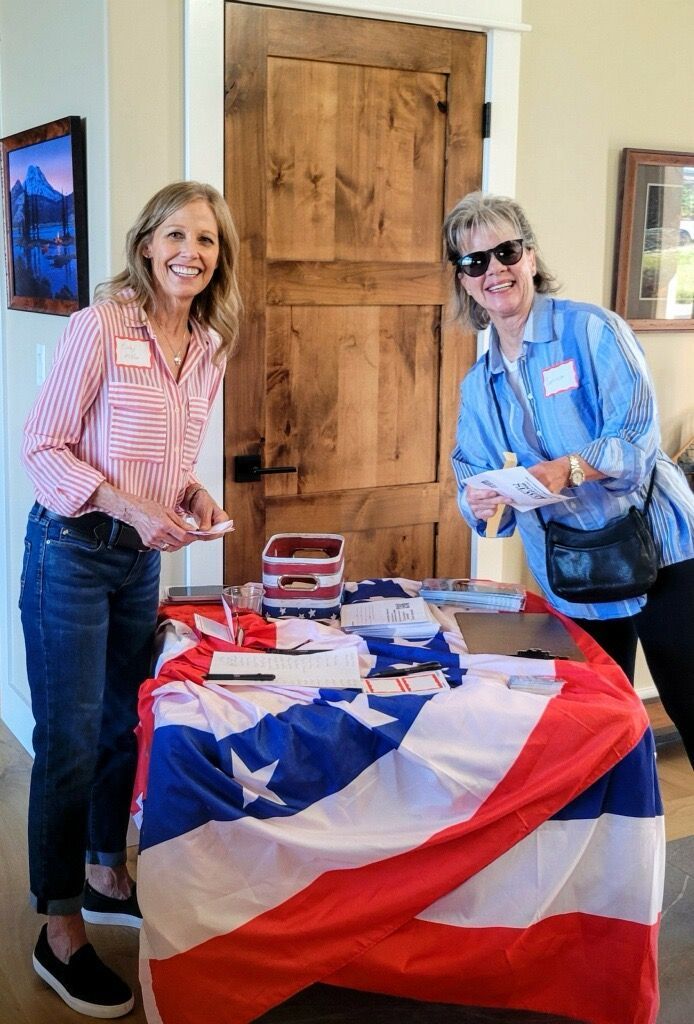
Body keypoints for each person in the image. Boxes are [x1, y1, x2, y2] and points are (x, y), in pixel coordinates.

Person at [20, 180, 241, 1017]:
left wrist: (192, 495)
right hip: (72, 552)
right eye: (178, 235)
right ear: (147, 242)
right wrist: (127, 505)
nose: (193, 252)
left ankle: (106, 871)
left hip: (139, 559)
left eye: (209, 241)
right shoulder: (101, 325)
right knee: (70, 738)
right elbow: (44, 446)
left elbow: (164, 456)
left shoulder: (209, 344)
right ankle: (59, 926)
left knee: (122, 724)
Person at [444, 190, 694, 768]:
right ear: (464, 281)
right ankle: (624, 843)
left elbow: (636, 442)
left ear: (530, 256)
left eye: (505, 252)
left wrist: (567, 468)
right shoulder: (478, 386)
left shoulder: (592, 331)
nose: (494, 272)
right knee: (598, 725)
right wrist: (479, 498)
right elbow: (472, 478)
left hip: (663, 552)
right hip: (574, 570)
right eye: (474, 262)